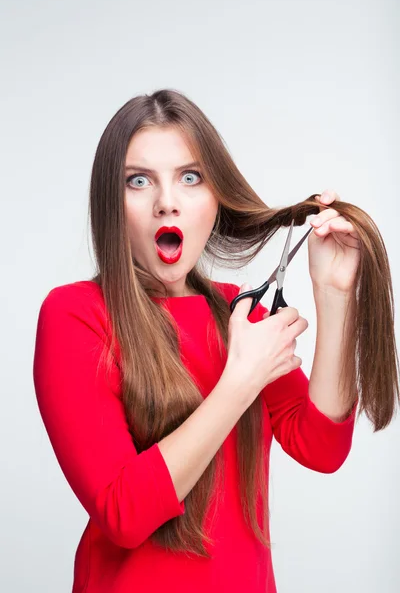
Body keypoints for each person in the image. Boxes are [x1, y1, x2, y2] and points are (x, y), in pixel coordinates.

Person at [33, 89, 361, 593]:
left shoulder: (237, 313)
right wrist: (239, 382)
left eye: (190, 178)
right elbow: (122, 513)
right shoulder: (75, 315)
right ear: (111, 202)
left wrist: (334, 293)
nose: (168, 202)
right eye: (139, 181)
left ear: (215, 197)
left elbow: (321, 446)